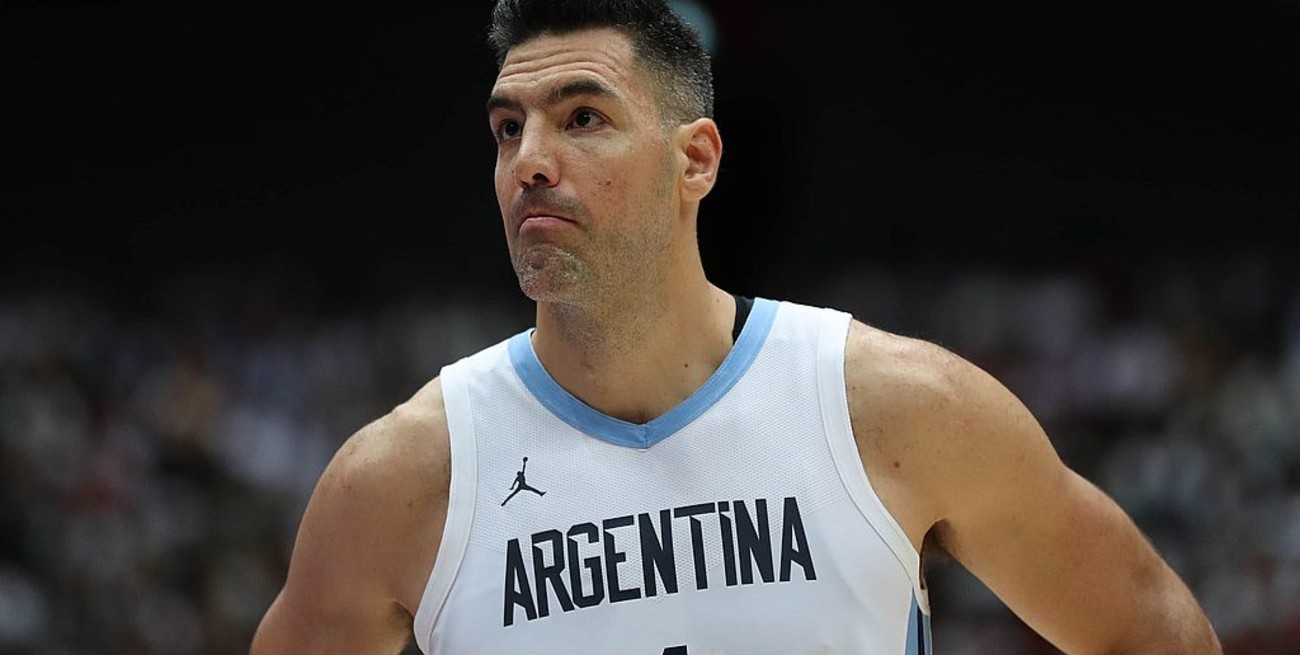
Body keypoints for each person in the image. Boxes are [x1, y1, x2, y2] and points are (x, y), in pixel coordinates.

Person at [250, 1, 1223, 653]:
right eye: (509, 128)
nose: (530, 161)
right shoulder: (402, 481)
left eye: (581, 118)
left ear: (697, 160)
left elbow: (1149, 631)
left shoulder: (894, 407)